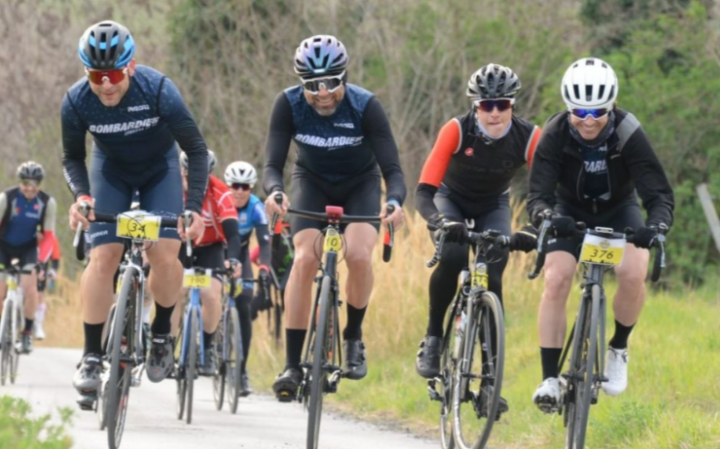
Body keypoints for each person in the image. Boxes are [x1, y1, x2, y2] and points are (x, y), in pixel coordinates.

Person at [63, 20, 208, 406]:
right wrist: (81, 197)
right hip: (110, 172)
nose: (106, 84)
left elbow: (195, 151)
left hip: (159, 170)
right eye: (96, 75)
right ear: (85, 72)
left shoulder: (158, 89)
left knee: (163, 253)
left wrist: (192, 208)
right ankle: (92, 356)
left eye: (113, 74)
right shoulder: (77, 100)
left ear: (130, 66)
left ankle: (161, 330)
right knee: (104, 256)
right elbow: (72, 158)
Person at [263, 34, 407, 401]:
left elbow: (392, 165)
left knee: (359, 255)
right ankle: (293, 364)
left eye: (332, 82)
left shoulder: (365, 106)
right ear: (301, 83)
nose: (323, 93)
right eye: (312, 85)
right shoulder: (289, 104)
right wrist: (275, 192)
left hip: (359, 186)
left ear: (345, 77)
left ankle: (354, 337)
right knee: (304, 259)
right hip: (311, 184)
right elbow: (273, 164)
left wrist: (394, 200)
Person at [527, 57, 674, 411]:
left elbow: (658, 193)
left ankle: (618, 347)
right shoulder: (556, 132)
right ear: (568, 108)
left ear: (612, 107)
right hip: (569, 211)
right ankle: (550, 379)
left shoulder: (628, 132)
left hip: (618, 209)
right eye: (580, 111)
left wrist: (655, 227)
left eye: (598, 112)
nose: (588, 120)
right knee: (557, 278)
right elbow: (538, 195)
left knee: (633, 272)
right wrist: (546, 215)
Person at [413, 63, 541, 415]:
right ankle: (434, 336)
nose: (495, 112)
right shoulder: (457, 129)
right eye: (487, 105)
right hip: (450, 199)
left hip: (493, 205)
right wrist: (438, 221)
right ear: (475, 106)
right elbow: (424, 191)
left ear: (513, 104)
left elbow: (549, 190)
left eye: (503, 104)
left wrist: (533, 227)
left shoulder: (530, 136)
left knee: (494, 274)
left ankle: (489, 382)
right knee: (453, 256)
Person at [173, 150, 242, 377]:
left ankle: (208, 345)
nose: (192, 181)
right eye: (187, 175)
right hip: (180, 246)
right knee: (175, 291)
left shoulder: (220, 192)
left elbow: (232, 235)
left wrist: (232, 259)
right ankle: (166, 345)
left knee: (211, 294)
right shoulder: (170, 188)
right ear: (181, 170)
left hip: (211, 247)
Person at [0, 162, 58, 355]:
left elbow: (49, 237)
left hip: (28, 248)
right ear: (19, 182)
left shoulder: (47, 203)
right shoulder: (7, 198)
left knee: (31, 290)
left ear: (40, 184)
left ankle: (27, 332)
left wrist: (41, 262)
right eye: (25, 182)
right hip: (2, 246)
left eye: (34, 183)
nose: (30, 188)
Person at [224, 160, 272, 396]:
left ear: (251, 188)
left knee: (244, 302)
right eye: (235, 185)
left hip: (241, 256)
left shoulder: (256, 207)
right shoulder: (219, 201)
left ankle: (241, 372)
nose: (239, 191)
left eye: (245, 186)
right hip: (215, 251)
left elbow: (264, 242)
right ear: (228, 185)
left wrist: (264, 269)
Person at [35, 229, 61, 340]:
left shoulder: (51, 239)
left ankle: (38, 325)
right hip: (26, 261)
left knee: (40, 295)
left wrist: (53, 272)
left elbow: (55, 259)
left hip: (41, 267)